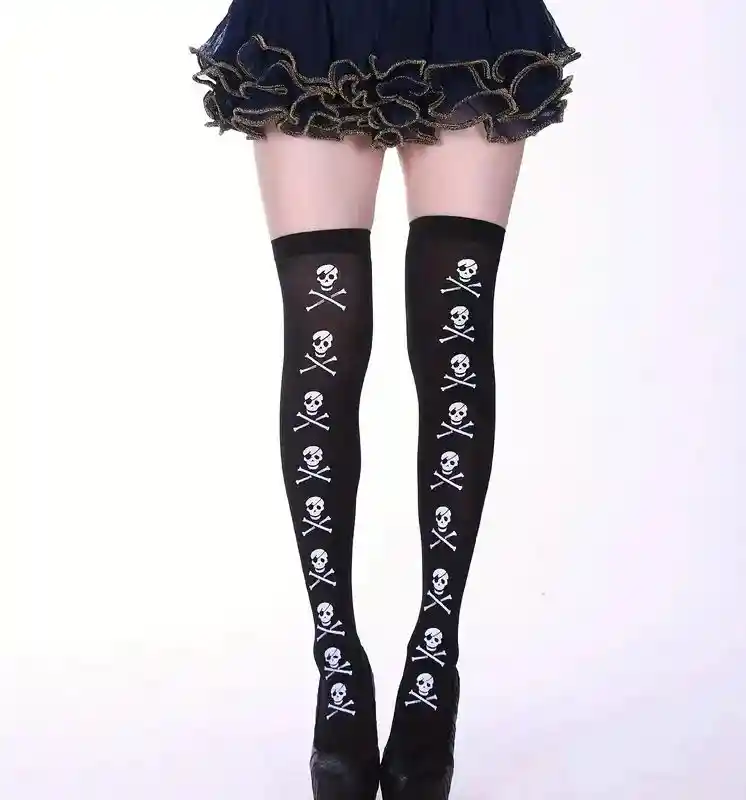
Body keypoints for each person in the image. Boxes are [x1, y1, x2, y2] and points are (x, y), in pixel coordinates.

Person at [189, 1, 580, 797]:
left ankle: (434, 664)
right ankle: (338, 668)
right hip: (309, 21)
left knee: (454, 338)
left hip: (467, 19)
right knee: (323, 344)